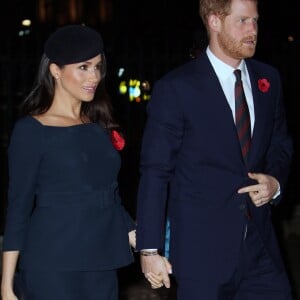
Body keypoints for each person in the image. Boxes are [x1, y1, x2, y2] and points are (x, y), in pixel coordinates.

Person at [135, 0, 294, 299]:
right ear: (214, 21)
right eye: (243, 21)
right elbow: (155, 171)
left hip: (261, 248)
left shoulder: (268, 79)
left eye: (256, 21)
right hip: (201, 255)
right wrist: (150, 248)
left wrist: (275, 182)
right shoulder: (177, 88)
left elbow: (280, 144)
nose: (253, 30)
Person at [1, 24, 137, 300]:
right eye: (84, 67)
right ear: (55, 70)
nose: (94, 76)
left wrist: (148, 249)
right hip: (52, 265)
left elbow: (110, 199)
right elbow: (18, 207)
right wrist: (6, 286)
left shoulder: (98, 128)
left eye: (98, 67)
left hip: (102, 262)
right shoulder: (32, 130)